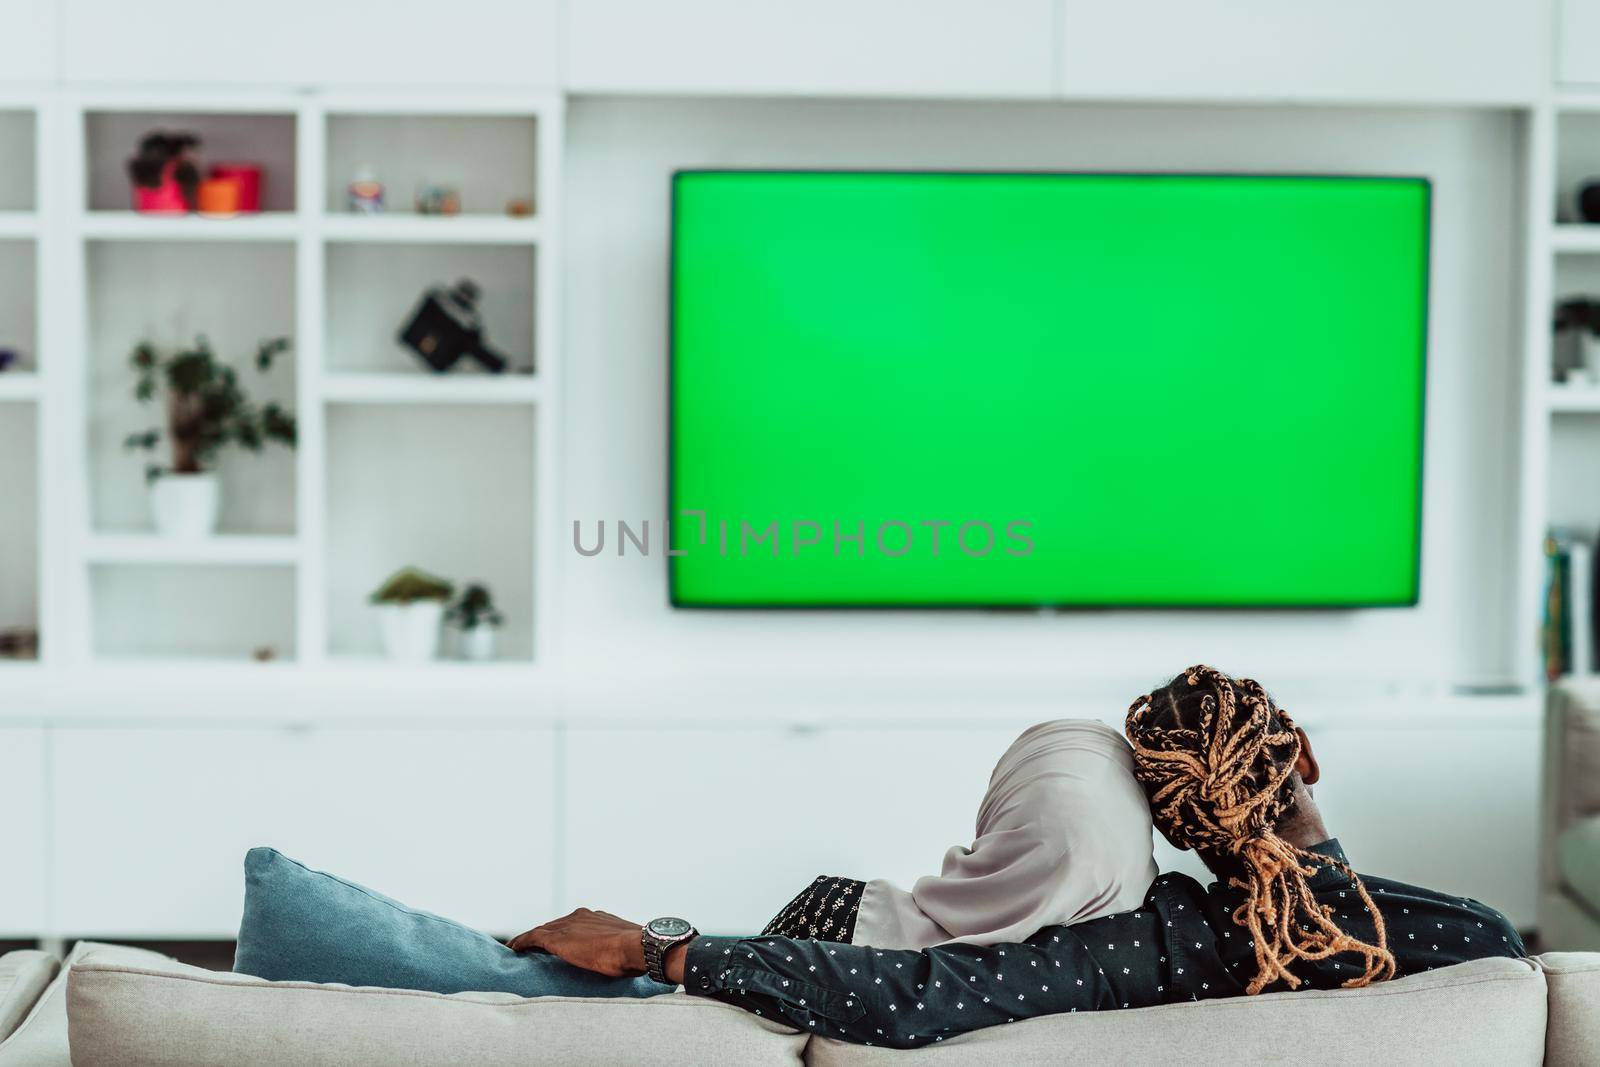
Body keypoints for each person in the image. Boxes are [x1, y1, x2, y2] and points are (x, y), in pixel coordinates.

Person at [516, 665, 1525, 1048]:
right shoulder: (1482, 942)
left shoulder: (1162, 940)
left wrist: (664, 949)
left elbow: (917, 993)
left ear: (1168, 825)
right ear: (1303, 753)